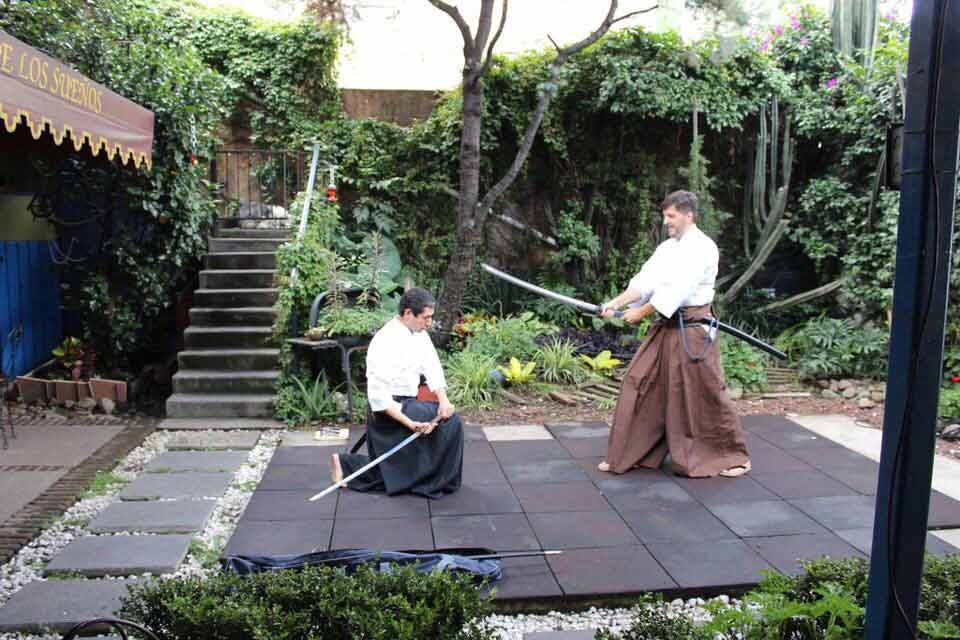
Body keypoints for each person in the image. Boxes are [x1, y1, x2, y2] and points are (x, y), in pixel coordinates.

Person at [598, 190, 750, 478]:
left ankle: (732, 457)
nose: (665, 221)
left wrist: (639, 313)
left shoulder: (703, 248)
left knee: (704, 392)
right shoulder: (668, 248)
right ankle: (634, 453)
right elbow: (645, 281)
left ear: (688, 215)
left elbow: (676, 290)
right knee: (638, 380)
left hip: (694, 330)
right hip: (668, 327)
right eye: (665, 215)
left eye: (671, 216)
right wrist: (616, 303)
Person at [330, 287, 463, 498]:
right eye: (425, 318)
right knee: (450, 424)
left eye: (431, 318)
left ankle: (433, 480)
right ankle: (347, 464)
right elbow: (378, 398)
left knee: (448, 418)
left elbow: (432, 368)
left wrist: (443, 400)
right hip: (388, 413)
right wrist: (411, 424)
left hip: (409, 404)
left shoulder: (419, 334)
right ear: (409, 313)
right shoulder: (384, 341)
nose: (429, 323)